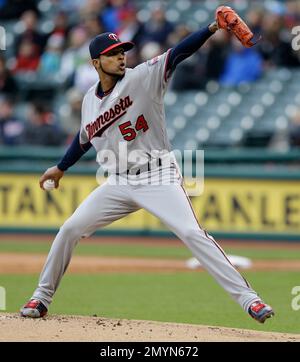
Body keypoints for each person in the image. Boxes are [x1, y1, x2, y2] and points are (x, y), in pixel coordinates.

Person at [20, 14, 274, 324]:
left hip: (158, 175)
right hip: (119, 181)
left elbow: (180, 51)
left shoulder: (143, 77)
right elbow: (85, 138)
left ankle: (251, 301)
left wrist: (210, 28)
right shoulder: (89, 100)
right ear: (96, 63)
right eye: (112, 54)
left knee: (191, 232)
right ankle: (41, 298)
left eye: (122, 51)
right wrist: (61, 168)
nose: (120, 56)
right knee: (70, 229)